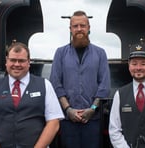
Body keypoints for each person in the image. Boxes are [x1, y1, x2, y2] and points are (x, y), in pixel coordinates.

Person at [0, 42, 64, 148]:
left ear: (28, 62)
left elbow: (54, 122)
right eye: (13, 60)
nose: (17, 64)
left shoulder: (45, 85)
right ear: (6, 61)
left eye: (21, 61)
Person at [50, 10, 111, 148]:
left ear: (89, 28)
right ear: (70, 29)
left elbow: (104, 85)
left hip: (93, 120)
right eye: (75, 26)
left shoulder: (100, 53)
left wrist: (92, 109)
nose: (79, 29)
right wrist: (68, 110)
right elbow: (55, 84)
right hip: (67, 120)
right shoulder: (60, 53)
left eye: (82, 26)